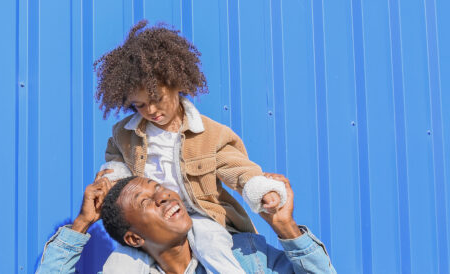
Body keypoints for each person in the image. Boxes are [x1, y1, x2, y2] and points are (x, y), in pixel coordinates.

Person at [94, 20, 287, 272]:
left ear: (177, 84)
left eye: (156, 99)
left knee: (211, 246)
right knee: (119, 264)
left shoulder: (210, 134)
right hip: (153, 224)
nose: (151, 110)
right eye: (140, 105)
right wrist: (110, 180)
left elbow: (237, 168)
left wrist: (260, 189)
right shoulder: (125, 133)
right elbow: (116, 162)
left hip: (202, 217)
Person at [36, 171, 335, 273]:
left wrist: (285, 227)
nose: (164, 197)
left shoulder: (245, 257)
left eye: (158, 188)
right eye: (146, 202)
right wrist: (82, 224)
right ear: (134, 238)